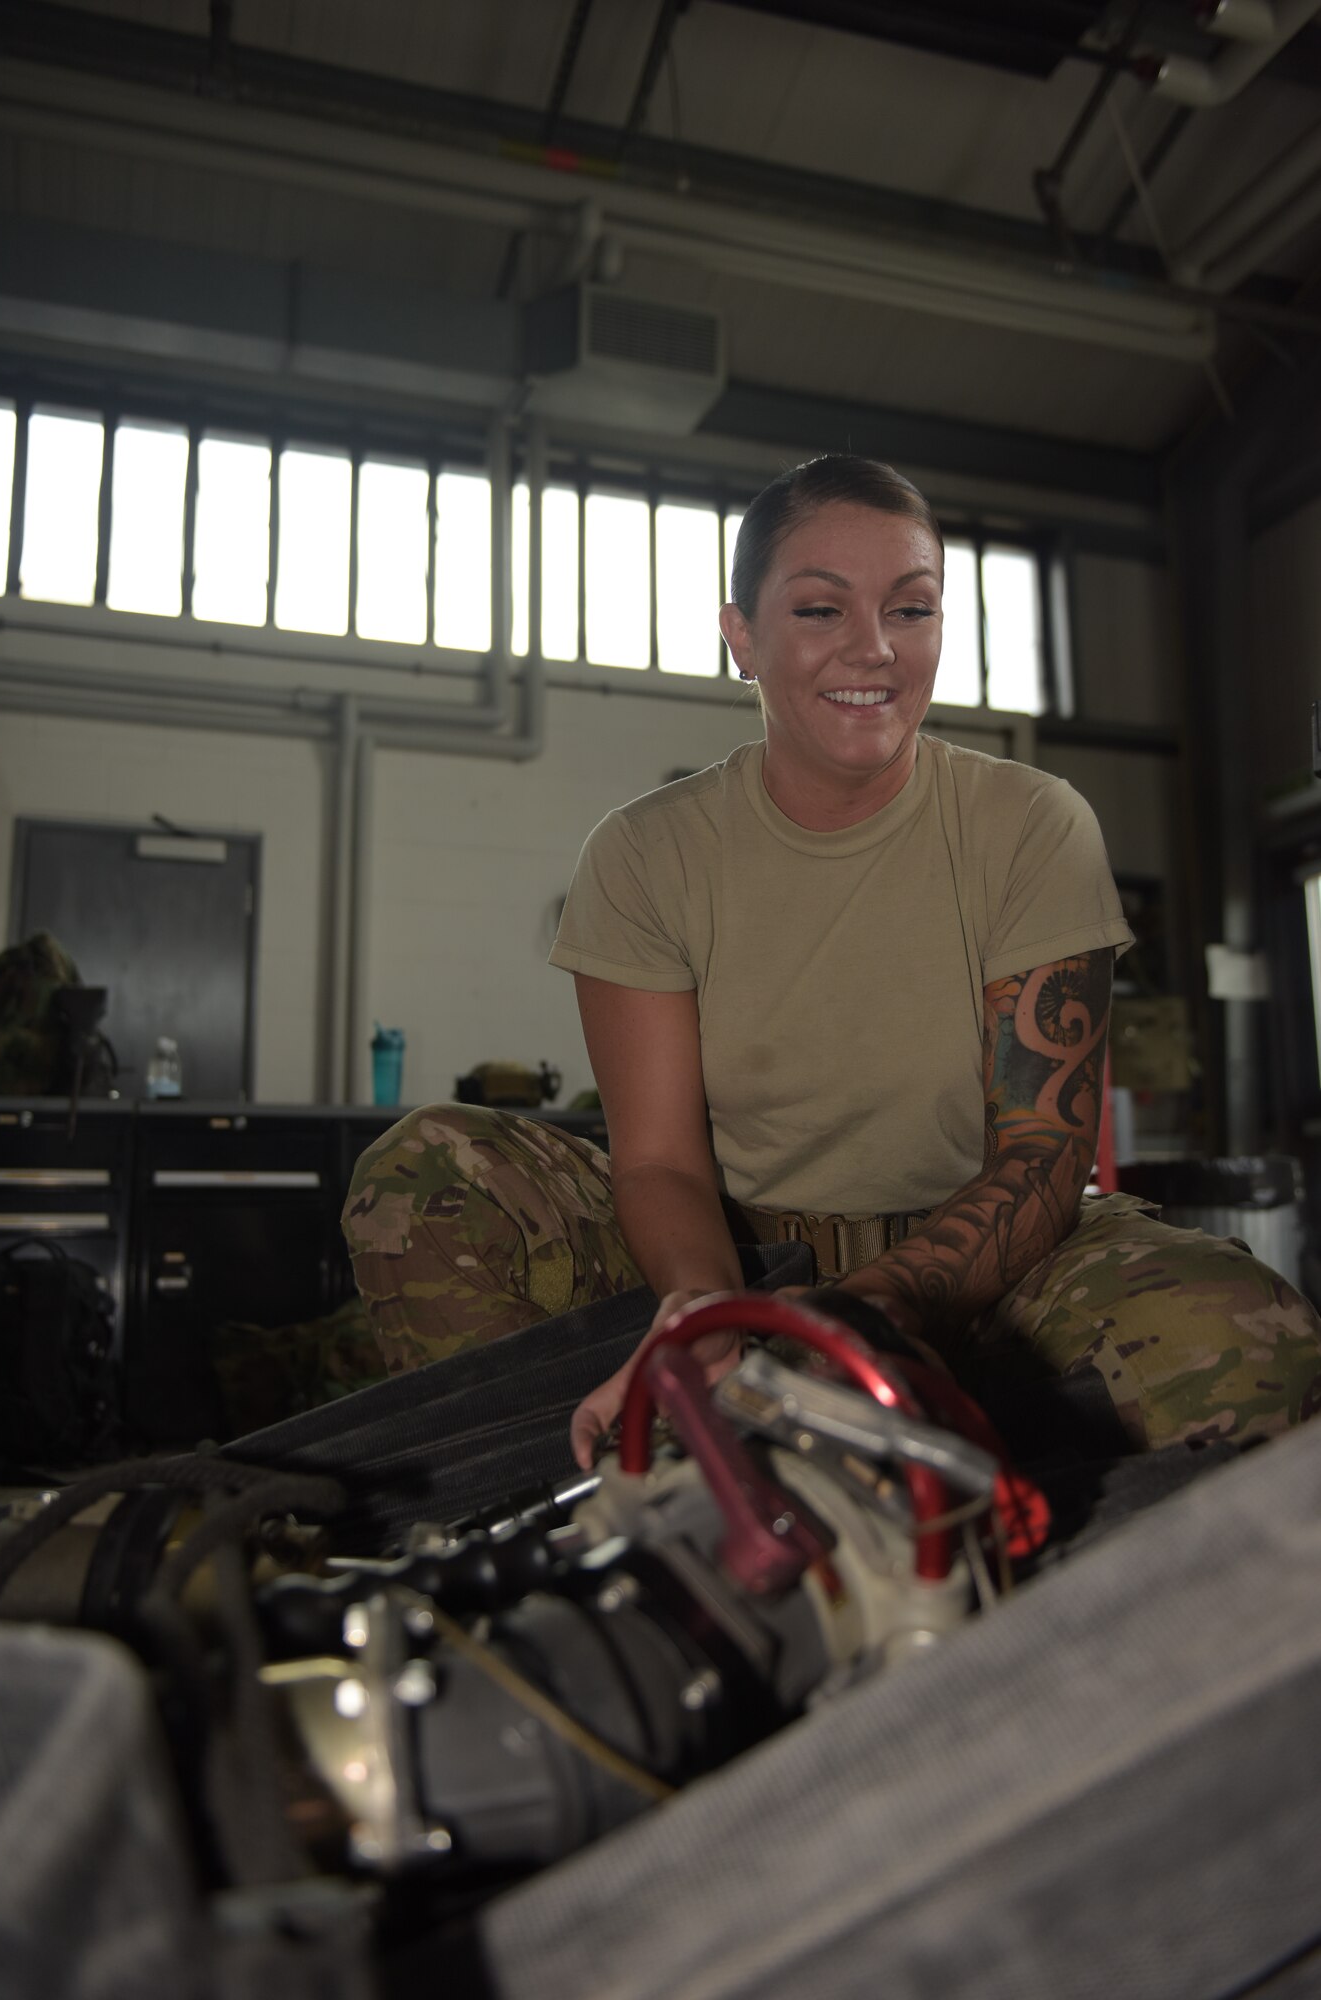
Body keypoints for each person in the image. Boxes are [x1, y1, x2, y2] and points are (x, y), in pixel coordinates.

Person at [344, 455, 1321, 1469]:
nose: (874, 647)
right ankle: (613, 1493)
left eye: (913, 608)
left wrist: (867, 1310)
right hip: (732, 1244)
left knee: (1252, 1337)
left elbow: (1044, 1157)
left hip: (987, 1251)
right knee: (422, 1175)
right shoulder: (646, 852)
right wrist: (710, 1317)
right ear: (742, 640)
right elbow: (661, 1161)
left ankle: (988, 1517)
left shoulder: (1030, 824)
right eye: (820, 610)